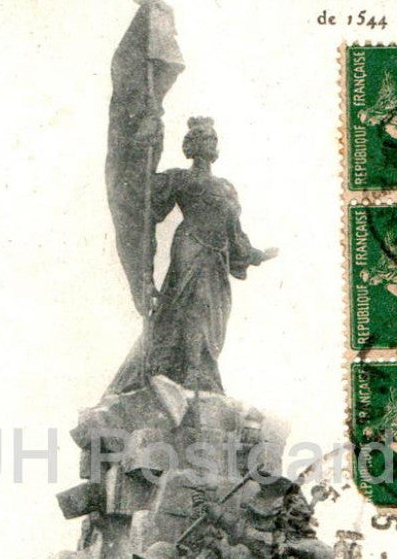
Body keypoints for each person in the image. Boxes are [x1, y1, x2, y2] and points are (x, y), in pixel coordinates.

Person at [109, 117, 278, 394]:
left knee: (213, 315)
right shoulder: (180, 178)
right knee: (193, 308)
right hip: (191, 248)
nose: (210, 142)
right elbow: (143, 192)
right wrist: (143, 145)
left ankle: (202, 372)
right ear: (192, 145)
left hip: (218, 256)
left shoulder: (226, 187)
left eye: (213, 138)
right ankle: (190, 374)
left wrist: (256, 255)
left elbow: (235, 233)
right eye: (204, 137)